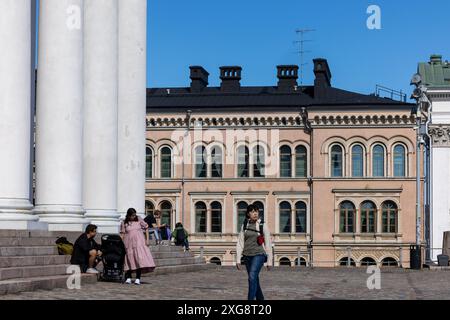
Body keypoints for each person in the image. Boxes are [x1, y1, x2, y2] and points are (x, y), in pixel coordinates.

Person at [236, 204, 273, 300]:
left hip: (259, 254)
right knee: (254, 279)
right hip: (247, 256)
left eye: (256, 211)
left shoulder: (262, 225)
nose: (255, 213)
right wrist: (238, 259)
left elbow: (268, 243)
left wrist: (269, 261)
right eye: (252, 211)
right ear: (248, 214)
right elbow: (240, 243)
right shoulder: (244, 225)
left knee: (251, 277)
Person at [120, 208, 156, 285]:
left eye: (134, 215)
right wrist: (120, 242)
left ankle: (138, 278)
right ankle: (128, 277)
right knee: (129, 260)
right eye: (132, 215)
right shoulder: (124, 222)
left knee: (138, 259)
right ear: (128, 215)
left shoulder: (139, 219)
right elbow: (122, 233)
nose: (134, 216)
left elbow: (146, 228)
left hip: (139, 243)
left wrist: (147, 240)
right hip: (128, 244)